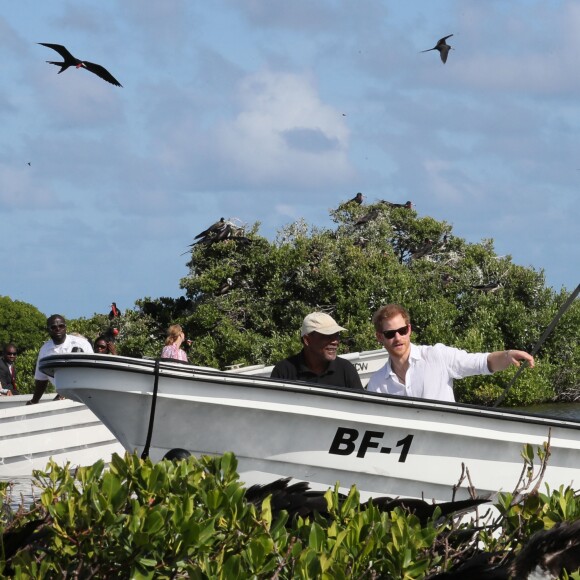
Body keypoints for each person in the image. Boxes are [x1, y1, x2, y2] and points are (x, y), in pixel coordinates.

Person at [367, 304, 535, 402]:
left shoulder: (437, 355)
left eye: (402, 330)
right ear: (380, 337)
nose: (398, 338)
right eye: (390, 334)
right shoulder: (376, 383)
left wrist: (508, 355)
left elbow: (483, 363)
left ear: (409, 329)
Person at [270, 312, 363, 389]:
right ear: (307, 340)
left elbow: (361, 408)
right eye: (327, 336)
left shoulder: (346, 370)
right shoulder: (283, 371)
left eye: (337, 335)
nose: (335, 341)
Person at [27, 314, 94, 405]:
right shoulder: (45, 350)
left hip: (85, 394)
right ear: (48, 330)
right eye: (53, 327)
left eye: (61, 326)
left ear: (65, 327)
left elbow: (92, 371)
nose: (58, 329)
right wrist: (34, 401)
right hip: (62, 395)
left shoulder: (82, 344)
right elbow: (41, 380)